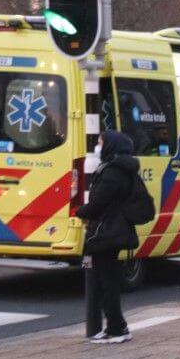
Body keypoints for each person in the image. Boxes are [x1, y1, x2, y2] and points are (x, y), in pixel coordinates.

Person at [76, 130, 140, 344]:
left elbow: (99, 202)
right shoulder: (121, 169)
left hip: (106, 232)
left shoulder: (113, 173)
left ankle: (117, 328)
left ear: (111, 146)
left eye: (101, 143)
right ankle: (116, 326)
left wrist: (81, 211)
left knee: (106, 282)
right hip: (111, 231)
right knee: (107, 280)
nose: (98, 146)